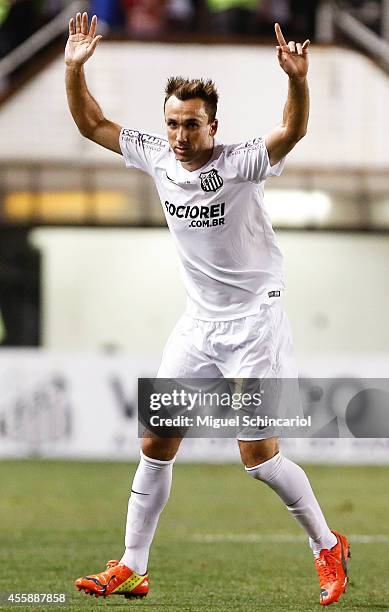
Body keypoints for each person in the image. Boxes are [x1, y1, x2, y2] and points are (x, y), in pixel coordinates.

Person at [65, 12, 350, 606]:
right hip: (196, 326)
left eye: (190, 125)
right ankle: (132, 564)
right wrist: (73, 68)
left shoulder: (240, 162)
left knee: (259, 458)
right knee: (155, 442)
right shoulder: (156, 157)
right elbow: (91, 122)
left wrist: (297, 80)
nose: (178, 136)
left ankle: (327, 544)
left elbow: (291, 131)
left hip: (255, 323)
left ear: (211, 125)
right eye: (171, 124)